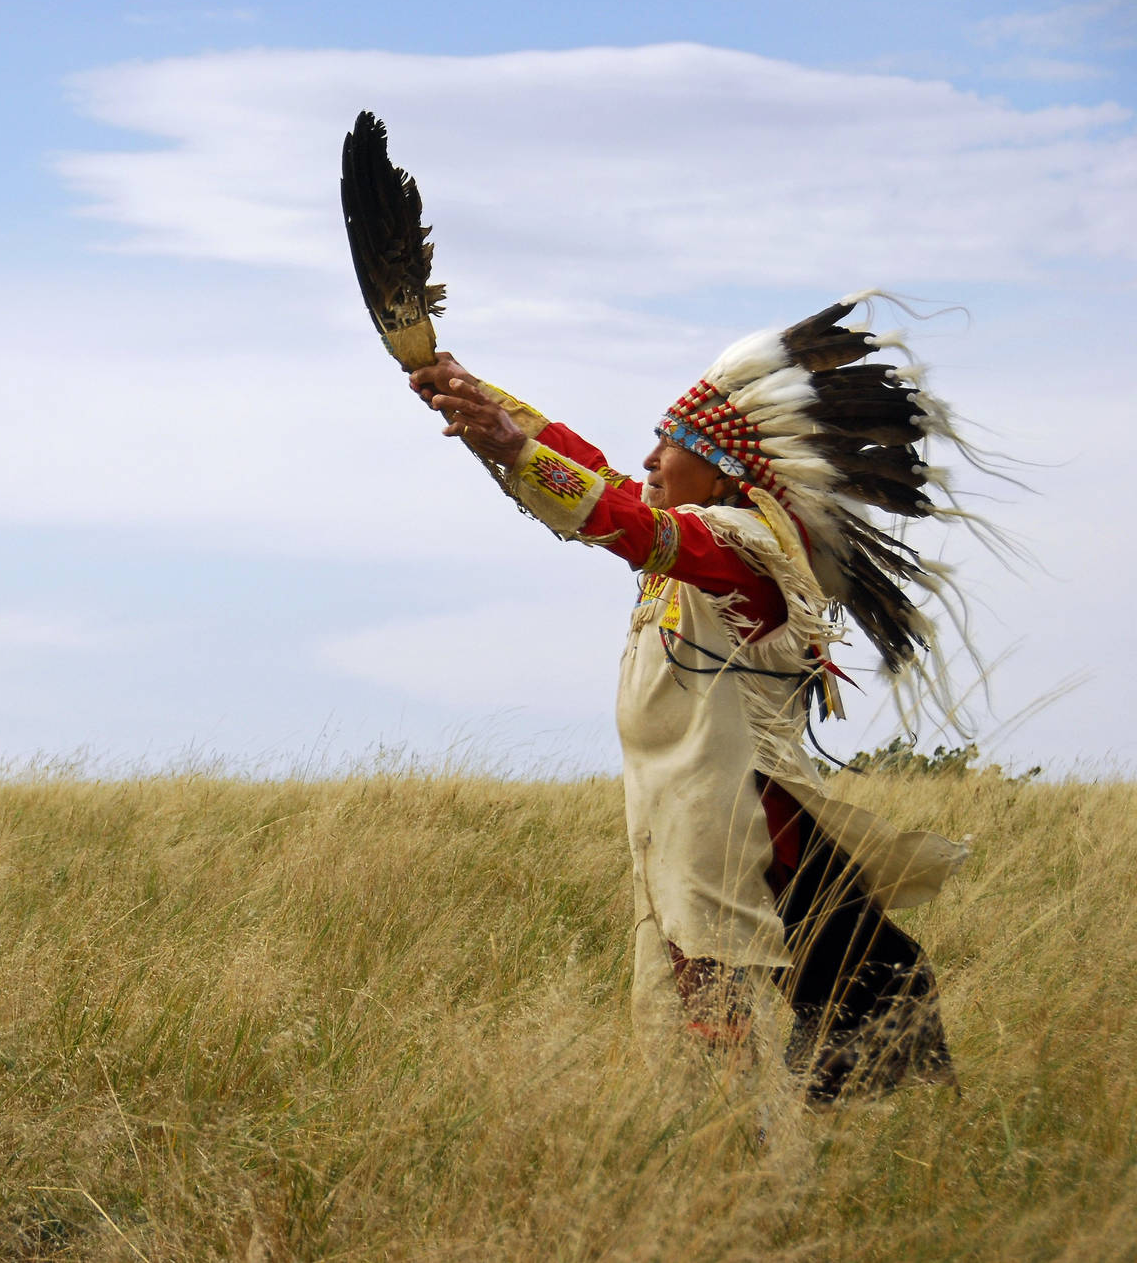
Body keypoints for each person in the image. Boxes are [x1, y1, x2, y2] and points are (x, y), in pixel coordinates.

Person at [407, 297, 973, 1104]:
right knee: (750, 996)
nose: (647, 462)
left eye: (665, 449)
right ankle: (756, 1147)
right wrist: (475, 396)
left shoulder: (739, 546)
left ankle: (740, 1155)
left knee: (721, 1002)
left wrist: (508, 441)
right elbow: (600, 483)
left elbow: (623, 517)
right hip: (692, 818)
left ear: (720, 470)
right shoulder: (690, 534)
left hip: (740, 827)